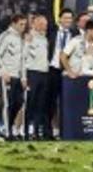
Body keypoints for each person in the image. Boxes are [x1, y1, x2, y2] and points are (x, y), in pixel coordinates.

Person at [0, 14, 27, 141]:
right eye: (21, 24)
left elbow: (22, 60)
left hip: (17, 76)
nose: (23, 27)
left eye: (24, 24)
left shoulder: (21, 38)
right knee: (8, 104)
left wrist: (23, 77)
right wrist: (3, 71)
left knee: (19, 102)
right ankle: (7, 133)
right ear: (13, 23)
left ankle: (6, 130)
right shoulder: (5, 36)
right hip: (6, 75)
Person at [44, 8, 76, 141]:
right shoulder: (50, 33)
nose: (68, 20)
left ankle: (68, 132)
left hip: (68, 72)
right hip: (52, 70)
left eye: (70, 18)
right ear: (60, 19)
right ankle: (48, 132)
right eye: (66, 18)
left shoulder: (75, 35)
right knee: (50, 103)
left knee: (68, 102)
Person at [22, 14, 51, 141]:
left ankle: (36, 132)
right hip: (32, 73)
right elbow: (22, 57)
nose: (44, 26)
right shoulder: (28, 37)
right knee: (30, 103)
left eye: (45, 24)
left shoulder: (44, 39)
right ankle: (26, 132)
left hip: (44, 74)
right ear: (34, 24)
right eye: (41, 24)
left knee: (41, 105)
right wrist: (24, 76)